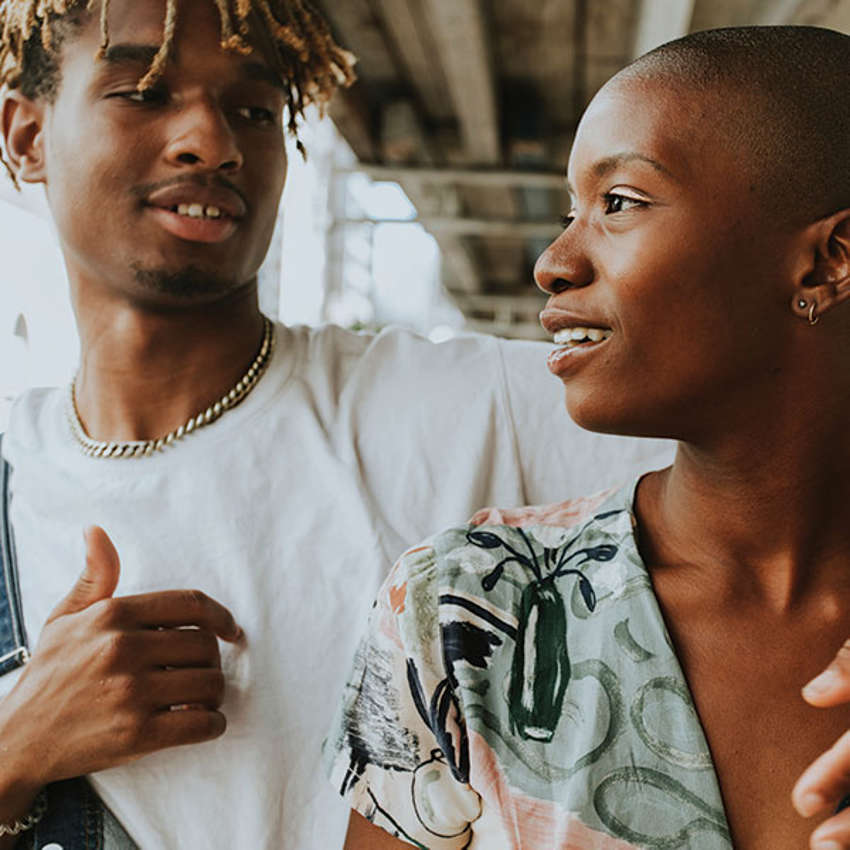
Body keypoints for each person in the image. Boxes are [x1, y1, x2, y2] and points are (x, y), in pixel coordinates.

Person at [0, 0, 671, 848]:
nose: (212, 141)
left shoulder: (473, 407)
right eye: (143, 91)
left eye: (254, 109)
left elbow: (782, 479)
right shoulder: (12, 480)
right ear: (26, 137)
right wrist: (16, 749)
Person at [326, 24, 850, 850]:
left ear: (828, 261)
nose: (553, 262)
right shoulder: (466, 610)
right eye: (572, 211)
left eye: (620, 203)